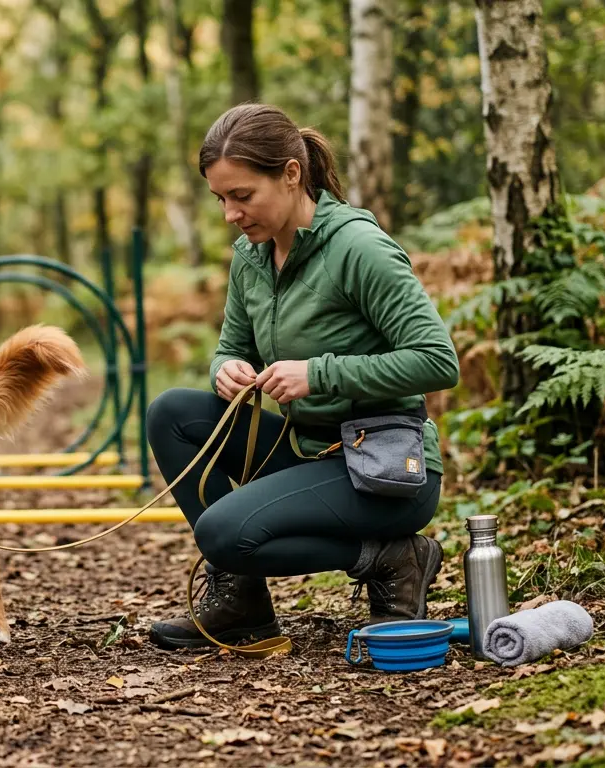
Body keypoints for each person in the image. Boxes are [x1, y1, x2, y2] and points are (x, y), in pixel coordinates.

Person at [146, 104, 460, 650]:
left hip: (384, 469)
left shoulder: (358, 249)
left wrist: (320, 374)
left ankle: (394, 558)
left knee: (221, 533)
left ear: (292, 174)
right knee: (171, 413)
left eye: (242, 196)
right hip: (308, 449)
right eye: (221, 199)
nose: (230, 214)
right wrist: (226, 371)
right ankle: (243, 605)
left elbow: (438, 360)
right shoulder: (251, 256)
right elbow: (228, 348)